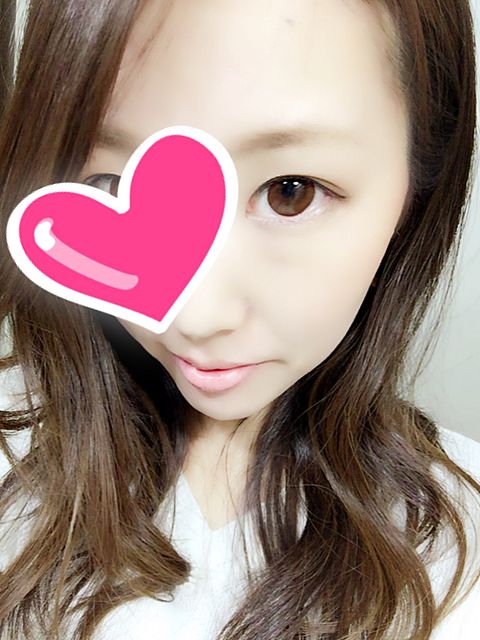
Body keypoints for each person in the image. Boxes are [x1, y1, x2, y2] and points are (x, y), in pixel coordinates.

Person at [0, 0, 480, 638]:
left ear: (416, 186)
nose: (196, 316)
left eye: (290, 192)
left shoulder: (462, 551)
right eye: (110, 185)